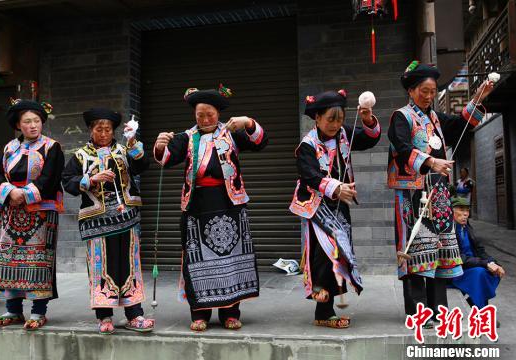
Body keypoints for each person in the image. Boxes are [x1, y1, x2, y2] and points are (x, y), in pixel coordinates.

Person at [387, 61, 495, 327]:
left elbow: (460, 126)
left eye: (433, 91)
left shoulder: (435, 118)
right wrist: (430, 162)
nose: (429, 95)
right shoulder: (401, 117)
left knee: (439, 250)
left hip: (439, 193)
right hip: (412, 193)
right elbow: (401, 147)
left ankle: (438, 310)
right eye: (424, 90)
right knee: (415, 250)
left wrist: (477, 99)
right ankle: (417, 312)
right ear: (411, 91)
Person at [154, 85, 267, 332]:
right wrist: (161, 145)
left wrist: (248, 122)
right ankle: (200, 313)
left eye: (210, 115)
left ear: (218, 114)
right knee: (197, 258)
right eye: (200, 116)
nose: (205, 120)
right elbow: (166, 159)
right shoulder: (186, 137)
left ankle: (230, 312)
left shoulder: (231, 133)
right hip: (197, 205)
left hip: (229, 203)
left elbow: (260, 141)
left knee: (232, 258)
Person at [289, 89, 381, 328]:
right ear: (317, 118)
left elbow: (370, 138)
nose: (335, 124)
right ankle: (323, 309)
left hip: (340, 205)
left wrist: (368, 118)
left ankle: (325, 310)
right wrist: (337, 188)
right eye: (330, 119)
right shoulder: (307, 146)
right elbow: (310, 176)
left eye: (339, 119)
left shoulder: (344, 134)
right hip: (317, 206)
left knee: (339, 254)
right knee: (325, 255)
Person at [62, 108, 154, 334]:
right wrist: (91, 179)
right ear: (91, 130)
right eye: (98, 129)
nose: (103, 133)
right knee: (101, 267)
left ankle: (135, 314)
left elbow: (143, 165)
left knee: (129, 266)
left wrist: (133, 143)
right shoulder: (80, 155)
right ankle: (104, 316)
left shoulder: (124, 150)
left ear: (114, 131)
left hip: (126, 218)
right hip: (97, 222)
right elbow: (68, 182)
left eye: (108, 129)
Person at [0, 99, 64, 330]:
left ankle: (38, 312)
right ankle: (13, 310)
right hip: (12, 212)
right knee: (10, 259)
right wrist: (10, 192)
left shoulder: (52, 147)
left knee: (38, 261)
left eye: (37, 121)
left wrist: (26, 194)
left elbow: (50, 178)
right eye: (27, 122)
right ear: (18, 125)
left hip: (40, 214)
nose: (33, 126)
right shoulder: (9, 148)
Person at [450, 197, 504, 308]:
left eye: (467, 210)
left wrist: (493, 262)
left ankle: (478, 303)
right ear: (451, 211)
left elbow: (480, 250)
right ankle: (481, 309)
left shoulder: (467, 228)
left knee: (495, 271)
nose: (465, 214)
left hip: (472, 264)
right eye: (461, 209)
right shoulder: (449, 230)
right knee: (480, 273)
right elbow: (458, 257)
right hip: (457, 269)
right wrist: (485, 264)